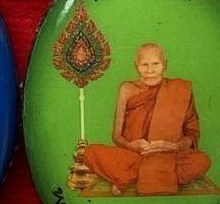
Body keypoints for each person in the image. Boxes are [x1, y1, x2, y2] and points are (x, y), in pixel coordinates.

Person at [83, 43, 211, 196]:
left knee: (202, 161)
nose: (150, 70)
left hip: (168, 156)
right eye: (144, 65)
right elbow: (116, 135)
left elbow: (191, 133)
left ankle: (132, 177)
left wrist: (173, 146)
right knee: (90, 152)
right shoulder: (127, 89)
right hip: (135, 156)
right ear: (136, 66)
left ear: (165, 65)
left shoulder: (180, 89)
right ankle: (158, 176)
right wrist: (131, 146)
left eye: (156, 64)